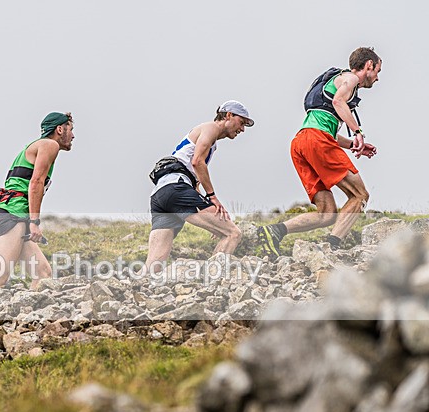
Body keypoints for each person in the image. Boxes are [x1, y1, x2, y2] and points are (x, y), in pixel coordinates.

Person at [258, 47, 380, 256]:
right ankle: (332, 247)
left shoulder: (335, 80)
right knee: (360, 195)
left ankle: (275, 231)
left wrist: (353, 143)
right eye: (377, 71)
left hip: (301, 142)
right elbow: (338, 102)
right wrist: (358, 132)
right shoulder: (350, 78)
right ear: (369, 65)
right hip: (317, 140)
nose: (377, 78)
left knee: (327, 213)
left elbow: (327, 128)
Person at [144, 101, 253, 274]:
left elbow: (192, 175)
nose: (242, 129)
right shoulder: (211, 128)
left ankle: (133, 286)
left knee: (153, 265)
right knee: (232, 233)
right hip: (176, 188)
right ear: (228, 115)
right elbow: (197, 162)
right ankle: (210, 281)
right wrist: (212, 197)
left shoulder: (209, 139)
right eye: (242, 122)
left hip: (161, 193)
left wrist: (211, 217)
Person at [0, 112, 74, 289]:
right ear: (59, 129)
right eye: (70, 129)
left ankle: (29, 309)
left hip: (12, 213)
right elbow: (36, 182)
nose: (73, 135)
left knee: (43, 274)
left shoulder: (36, 146)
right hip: (13, 213)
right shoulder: (49, 145)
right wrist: (34, 222)